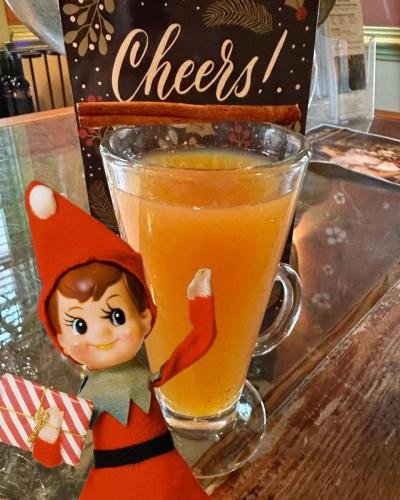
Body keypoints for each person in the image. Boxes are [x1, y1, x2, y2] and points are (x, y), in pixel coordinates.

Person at [25, 181, 216, 499]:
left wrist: (200, 301)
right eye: (80, 325)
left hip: (164, 472)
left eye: (116, 316)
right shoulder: (86, 402)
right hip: (111, 484)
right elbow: (49, 457)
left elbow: (201, 340)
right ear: (61, 340)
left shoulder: (145, 379)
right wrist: (48, 431)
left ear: (145, 316)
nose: (101, 334)